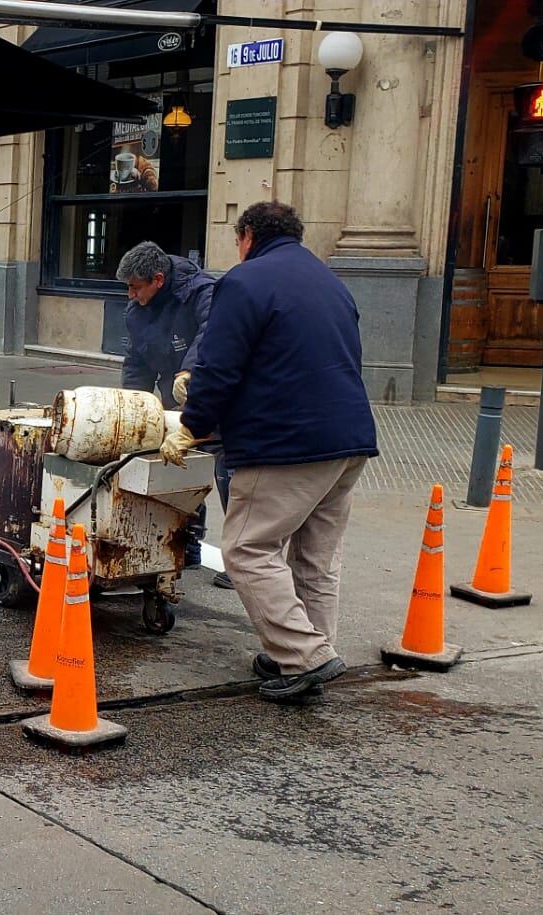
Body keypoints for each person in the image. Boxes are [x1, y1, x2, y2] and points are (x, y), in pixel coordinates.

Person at [163, 201, 378, 703]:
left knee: (246, 548)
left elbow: (219, 366)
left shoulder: (245, 281)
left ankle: (306, 655)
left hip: (287, 443)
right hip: (348, 440)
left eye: (237, 241)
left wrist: (191, 425)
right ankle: (304, 652)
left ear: (248, 236)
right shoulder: (330, 281)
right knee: (316, 558)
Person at [115, 240, 231, 587]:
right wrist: (132, 405)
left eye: (136, 287)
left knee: (228, 476)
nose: (131, 295)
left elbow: (217, 332)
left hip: (213, 399)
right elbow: (136, 360)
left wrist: (191, 370)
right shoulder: (136, 311)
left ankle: (244, 561)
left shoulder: (202, 293)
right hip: (174, 401)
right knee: (179, 472)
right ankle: (187, 542)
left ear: (158, 279)